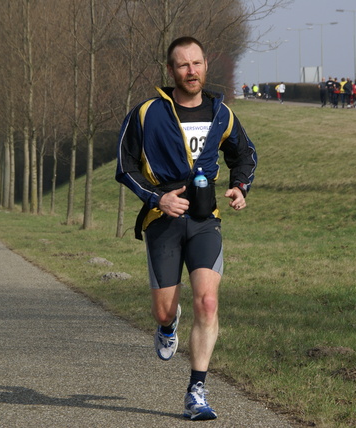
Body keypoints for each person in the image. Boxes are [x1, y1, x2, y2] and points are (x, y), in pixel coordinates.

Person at [115, 36, 257, 421]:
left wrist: (240, 185)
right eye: (182, 65)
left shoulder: (222, 113)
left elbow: (244, 153)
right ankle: (168, 324)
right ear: (170, 70)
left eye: (196, 63)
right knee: (164, 311)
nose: (191, 71)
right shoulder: (146, 113)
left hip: (205, 220)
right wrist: (156, 199)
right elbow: (124, 168)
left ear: (206, 65)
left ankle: (196, 390)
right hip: (163, 221)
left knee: (208, 302)